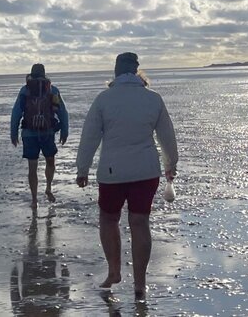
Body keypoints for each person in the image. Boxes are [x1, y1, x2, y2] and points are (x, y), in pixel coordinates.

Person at [75, 52, 178, 301]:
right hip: (146, 172)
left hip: (112, 173)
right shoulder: (153, 99)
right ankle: (140, 284)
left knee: (109, 220)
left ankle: (114, 272)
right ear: (137, 73)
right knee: (140, 222)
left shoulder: (104, 99)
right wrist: (170, 164)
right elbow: (167, 137)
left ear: (116, 72)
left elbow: (89, 138)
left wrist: (82, 169)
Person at [11, 63, 70, 209]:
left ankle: (34, 199)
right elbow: (62, 112)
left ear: (31, 74)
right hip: (47, 133)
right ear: (44, 74)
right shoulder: (52, 89)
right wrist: (64, 130)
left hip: (29, 134)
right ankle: (48, 188)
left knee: (32, 167)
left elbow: (16, 113)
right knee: (50, 162)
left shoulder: (25, 91)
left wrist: (13, 132)